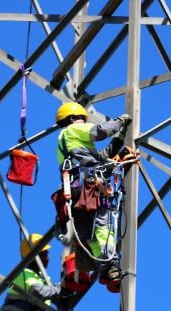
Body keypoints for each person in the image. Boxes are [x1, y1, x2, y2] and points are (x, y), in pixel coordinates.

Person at [54, 101, 132, 292]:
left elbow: (101, 156)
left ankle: (105, 268)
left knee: (90, 235)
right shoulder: (74, 129)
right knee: (104, 225)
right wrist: (120, 122)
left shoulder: (67, 143)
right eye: (81, 119)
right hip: (89, 187)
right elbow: (100, 132)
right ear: (73, 119)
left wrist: (121, 137)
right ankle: (110, 264)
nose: (83, 122)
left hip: (76, 193)